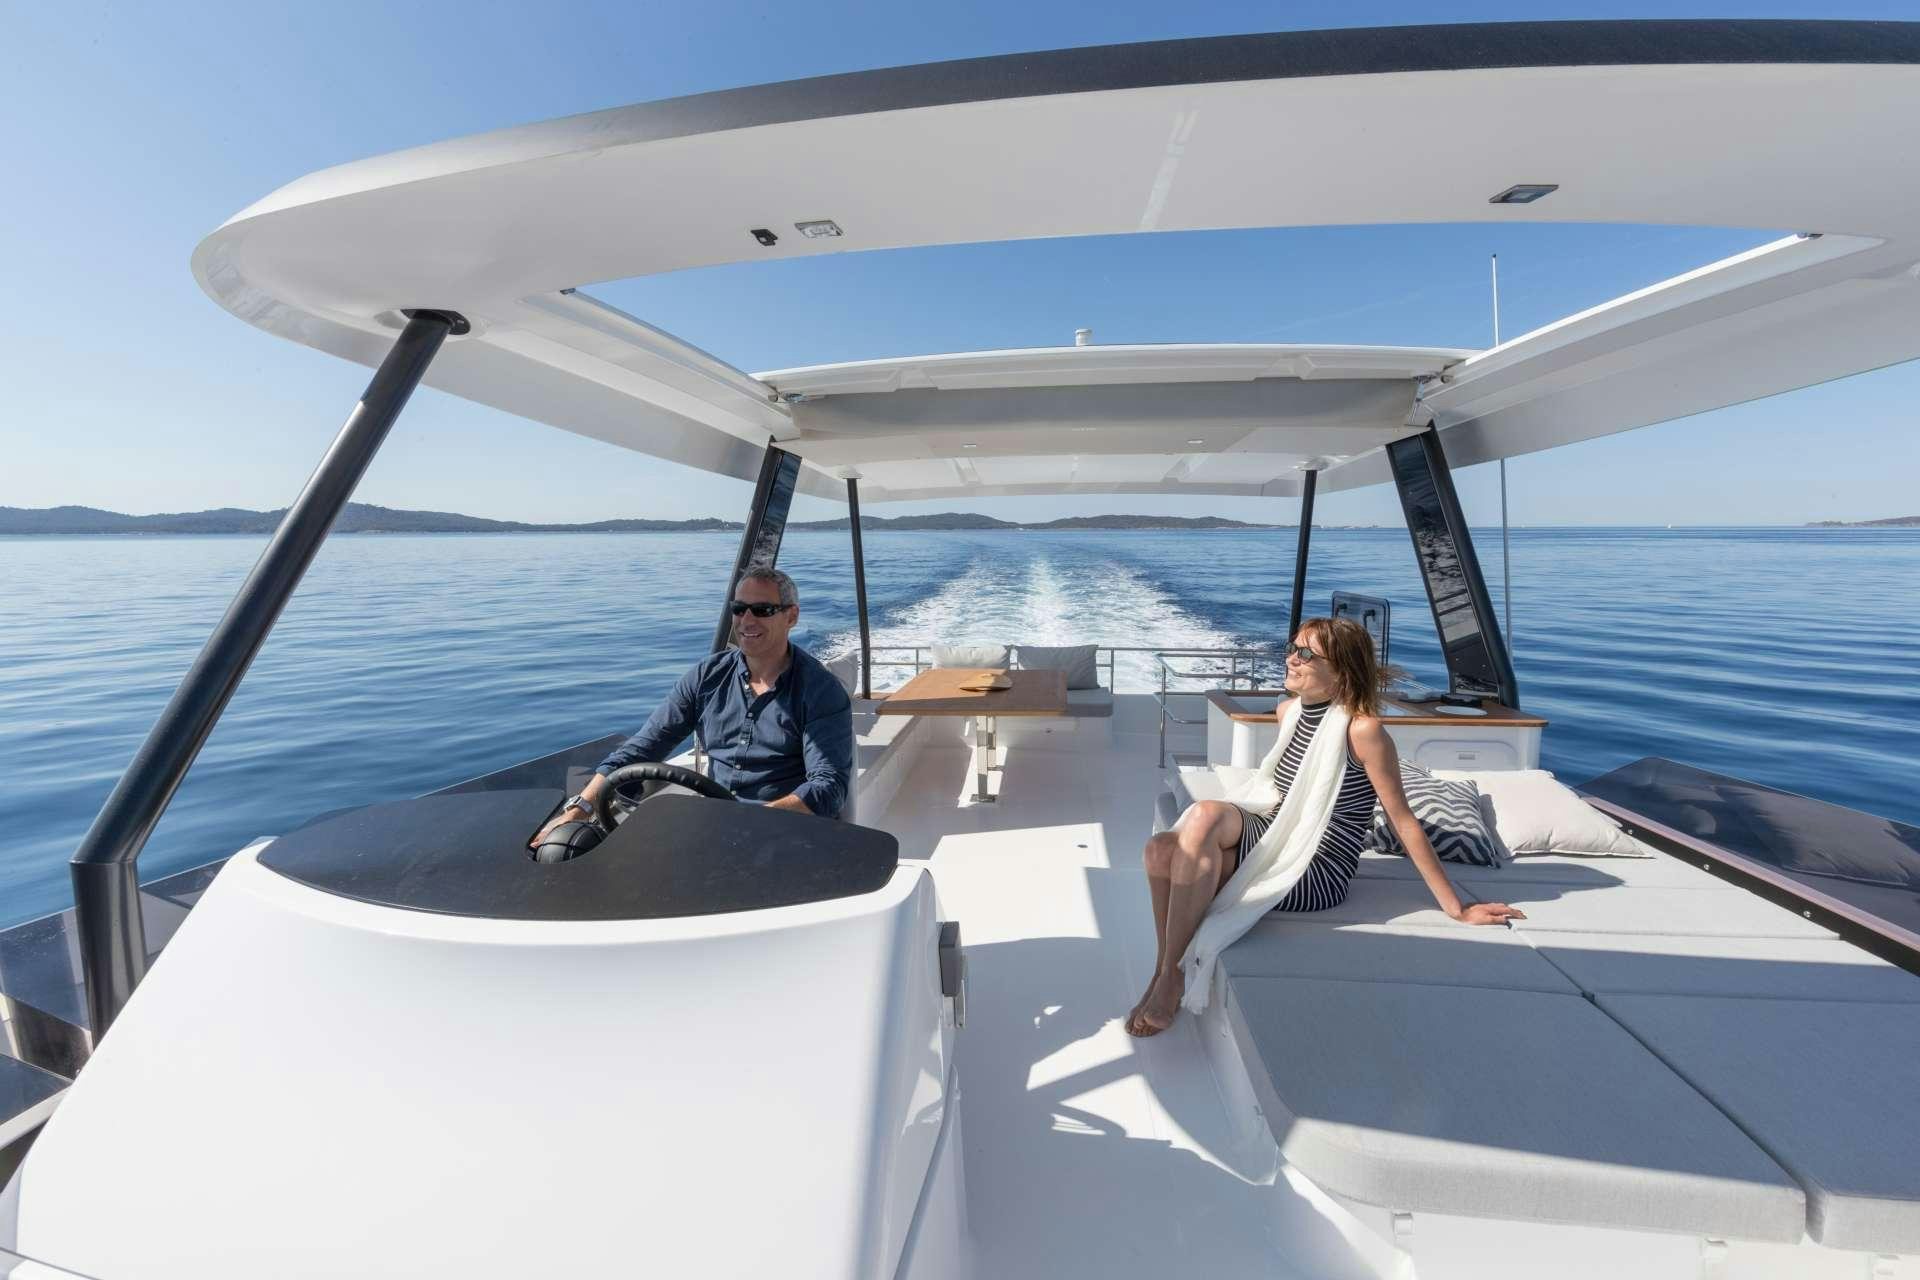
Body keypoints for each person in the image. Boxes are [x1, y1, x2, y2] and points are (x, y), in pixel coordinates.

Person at [1125, 616, 1523, 1036]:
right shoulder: (1289, 711)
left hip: (1315, 865)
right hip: (1277, 834)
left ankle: (1168, 976)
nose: (1291, 659)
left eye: (1307, 654)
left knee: (1202, 819)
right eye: (1293, 648)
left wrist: (1457, 908)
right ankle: (1163, 970)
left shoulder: (1363, 730)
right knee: (1160, 850)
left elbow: (1403, 821)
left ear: (1342, 672)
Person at [529, 567, 853, 846]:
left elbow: (827, 787)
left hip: (786, 828)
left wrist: (752, 821)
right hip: (717, 820)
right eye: (739, 609)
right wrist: (579, 808)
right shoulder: (706, 676)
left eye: (762, 610)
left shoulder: (819, 691)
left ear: (791, 616)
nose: (746, 620)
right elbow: (644, 746)